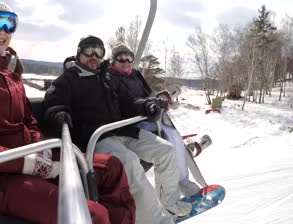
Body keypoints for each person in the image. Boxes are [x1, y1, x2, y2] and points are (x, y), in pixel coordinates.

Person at [0, 1, 135, 224]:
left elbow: (29, 123)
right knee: (92, 216)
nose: (2, 31)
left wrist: (43, 150)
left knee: (111, 167)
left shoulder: (11, 77)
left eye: (9, 24)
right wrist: (28, 163)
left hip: (29, 165)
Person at [43, 36, 191, 223]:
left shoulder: (105, 78)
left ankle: (170, 203)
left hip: (122, 131)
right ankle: (156, 220)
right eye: (89, 51)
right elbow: (53, 103)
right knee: (130, 163)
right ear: (79, 53)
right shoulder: (69, 79)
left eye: (99, 52)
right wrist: (58, 114)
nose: (94, 56)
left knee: (166, 151)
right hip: (96, 137)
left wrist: (146, 106)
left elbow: (128, 101)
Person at [108, 42, 201, 197]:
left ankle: (183, 182)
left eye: (129, 58)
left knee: (175, 137)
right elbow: (126, 102)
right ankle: (173, 190)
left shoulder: (135, 75)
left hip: (146, 117)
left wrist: (159, 103)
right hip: (131, 124)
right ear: (113, 60)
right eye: (121, 58)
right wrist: (150, 105)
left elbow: (148, 95)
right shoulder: (111, 78)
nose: (126, 62)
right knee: (168, 140)